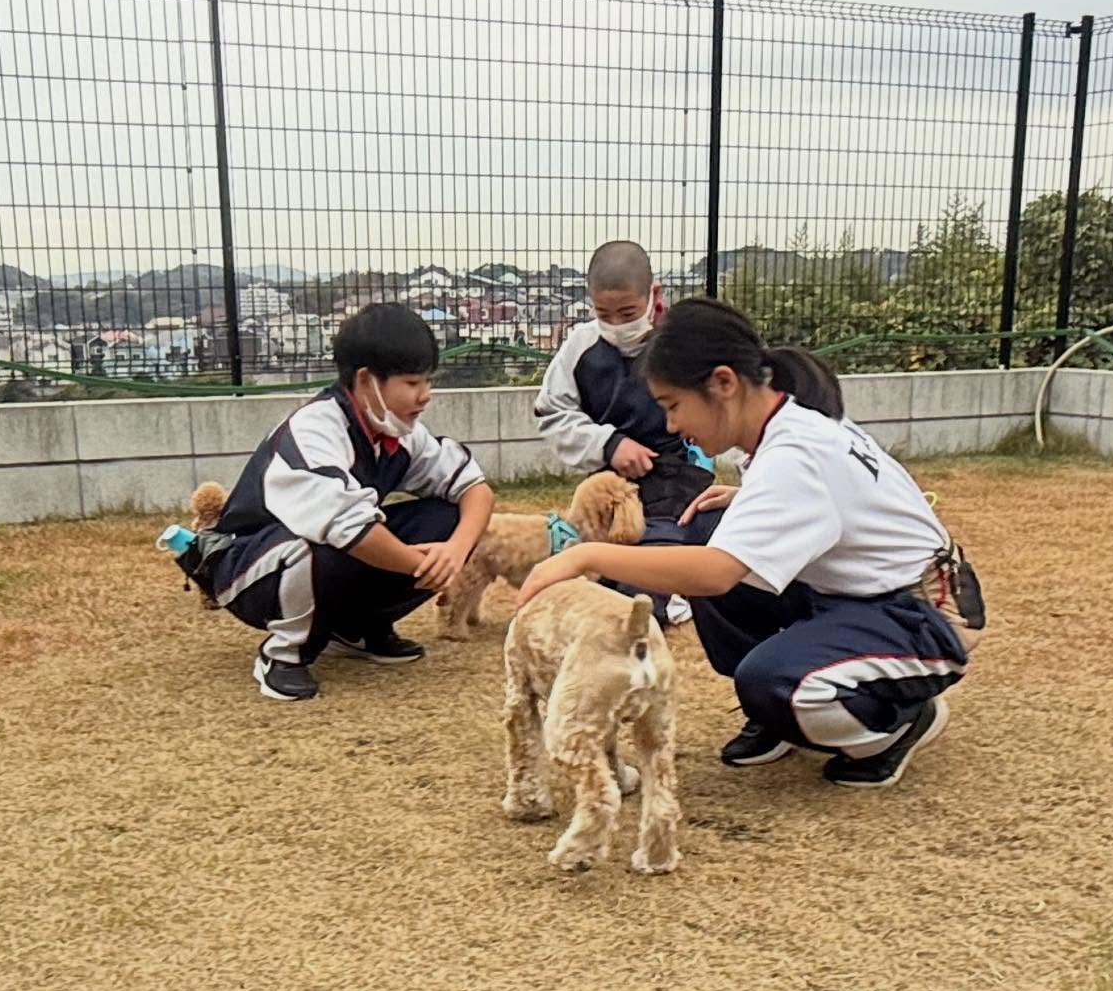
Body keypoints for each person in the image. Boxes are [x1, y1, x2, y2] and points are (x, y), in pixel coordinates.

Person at [517, 298, 985, 790]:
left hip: (928, 613)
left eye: (673, 406)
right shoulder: (788, 419)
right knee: (708, 526)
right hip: (866, 597)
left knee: (772, 680)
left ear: (723, 383)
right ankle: (785, 712)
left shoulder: (792, 452)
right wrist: (749, 499)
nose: (672, 426)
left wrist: (584, 555)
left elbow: (717, 572)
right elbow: (851, 494)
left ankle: (898, 723)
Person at [201, 304, 495, 701]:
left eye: (428, 381)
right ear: (366, 380)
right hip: (247, 567)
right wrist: (428, 566)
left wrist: (455, 551)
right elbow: (352, 532)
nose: (425, 396)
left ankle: (355, 630)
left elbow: (475, 488)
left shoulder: (400, 430)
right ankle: (284, 654)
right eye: (411, 383)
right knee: (314, 544)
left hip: (322, 550)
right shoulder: (314, 429)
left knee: (446, 518)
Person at [533, 239, 715, 623]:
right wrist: (607, 443)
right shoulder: (580, 345)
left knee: (647, 574)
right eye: (604, 313)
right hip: (607, 483)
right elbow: (551, 411)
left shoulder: (683, 339)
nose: (616, 324)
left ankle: (665, 593)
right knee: (591, 579)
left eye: (628, 312)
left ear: (654, 295)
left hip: (673, 477)